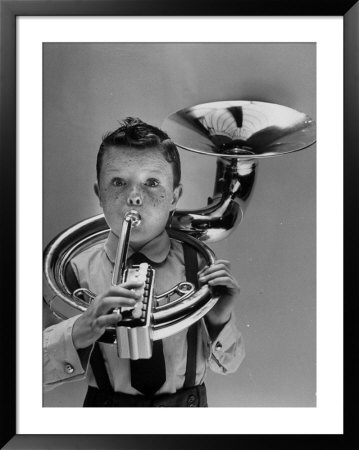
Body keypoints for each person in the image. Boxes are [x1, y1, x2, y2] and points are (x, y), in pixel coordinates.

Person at [43, 117, 245, 407]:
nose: (134, 197)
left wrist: (219, 318)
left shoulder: (198, 265)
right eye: (118, 182)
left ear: (174, 196)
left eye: (152, 182)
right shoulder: (73, 272)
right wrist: (77, 331)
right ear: (99, 194)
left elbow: (231, 365)